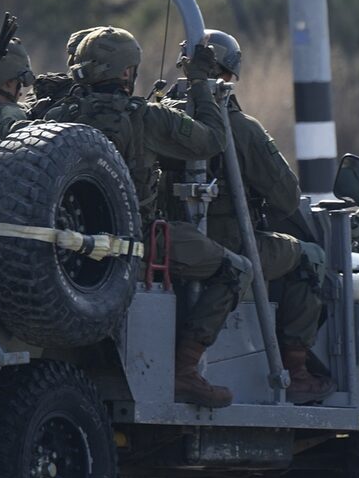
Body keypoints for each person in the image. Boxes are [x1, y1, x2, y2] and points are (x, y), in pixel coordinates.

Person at [44, 26, 251, 409]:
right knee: (236, 270)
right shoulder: (147, 118)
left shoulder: (55, 116)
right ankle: (185, 370)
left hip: (70, 244)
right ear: (127, 72)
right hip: (136, 241)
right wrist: (199, 83)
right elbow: (212, 140)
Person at [169, 29, 333, 403]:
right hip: (229, 243)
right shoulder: (241, 128)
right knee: (310, 258)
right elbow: (287, 196)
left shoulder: (163, 118)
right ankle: (296, 373)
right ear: (229, 74)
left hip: (173, 243)